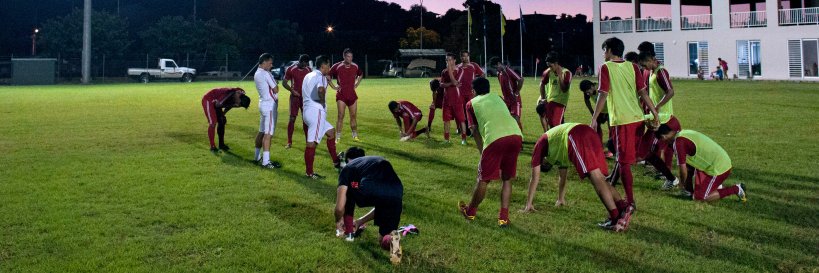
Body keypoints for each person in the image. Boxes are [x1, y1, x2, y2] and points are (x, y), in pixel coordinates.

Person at [591, 37, 660, 229]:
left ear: (610, 50)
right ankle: (617, 201)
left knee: (623, 163)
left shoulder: (606, 67)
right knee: (623, 163)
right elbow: (643, 93)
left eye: (605, 50)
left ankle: (629, 204)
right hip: (638, 120)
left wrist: (594, 118)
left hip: (623, 121)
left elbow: (603, 94)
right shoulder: (633, 67)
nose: (604, 54)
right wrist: (654, 113)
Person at [522, 123, 633, 231]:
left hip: (576, 135)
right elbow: (563, 176)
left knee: (595, 178)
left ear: (543, 160)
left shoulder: (539, 146)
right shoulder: (557, 147)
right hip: (588, 132)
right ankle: (623, 207)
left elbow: (535, 178)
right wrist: (560, 198)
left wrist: (529, 204)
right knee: (601, 178)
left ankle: (615, 217)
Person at [458, 77, 523, 227]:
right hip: (516, 135)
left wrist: (482, 151)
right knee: (507, 178)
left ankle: (470, 212)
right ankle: (503, 218)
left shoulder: (470, 104)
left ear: (473, 91)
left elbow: (474, 130)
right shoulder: (498, 97)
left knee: (483, 179)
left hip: (495, 139)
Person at [334, 147, 404, 264]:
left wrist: (338, 221)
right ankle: (394, 248)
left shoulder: (347, 169)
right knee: (383, 239)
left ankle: (348, 231)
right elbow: (382, 204)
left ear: (347, 161)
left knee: (348, 191)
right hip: (397, 191)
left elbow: (340, 207)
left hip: (373, 188)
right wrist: (360, 221)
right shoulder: (374, 160)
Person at [655, 126, 747, 203]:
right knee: (689, 169)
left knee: (700, 198)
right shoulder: (683, 133)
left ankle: (736, 189)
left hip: (718, 168)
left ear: (663, 137)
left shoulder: (678, 143)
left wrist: (681, 184)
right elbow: (688, 167)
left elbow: (682, 170)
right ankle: (691, 191)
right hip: (713, 163)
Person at [302, 55, 342, 179]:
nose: (329, 67)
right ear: (323, 65)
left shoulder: (308, 75)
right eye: (328, 65)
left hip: (307, 111)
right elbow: (320, 90)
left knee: (330, 132)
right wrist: (322, 103)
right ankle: (309, 173)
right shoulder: (319, 76)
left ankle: (336, 162)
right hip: (316, 112)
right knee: (312, 143)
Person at [329, 48, 364, 143]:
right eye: (348, 56)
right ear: (344, 56)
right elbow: (328, 76)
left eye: (351, 57)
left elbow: (361, 74)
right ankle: (338, 137)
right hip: (341, 96)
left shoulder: (355, 66)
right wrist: (333, 87)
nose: (350, 58)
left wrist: (356, 84)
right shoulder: (337, 66)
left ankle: (355, 136)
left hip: (352, 95)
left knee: (353, 116)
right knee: (340, 116)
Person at [253, 53, 282, 169]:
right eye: (270, 63)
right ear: (264, 62)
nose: (271, 65)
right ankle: (266, 162)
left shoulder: (257, 72)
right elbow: (276, 89)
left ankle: (256, 157)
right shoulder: (266, 73)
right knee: (268, 134)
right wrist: (274, 81)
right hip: (269, 106)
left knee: (261, 131)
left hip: (262, 104)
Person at [201, 87, 250, 152]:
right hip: (209, 100)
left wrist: (223, 114)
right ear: (239, 97)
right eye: (239, 103)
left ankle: (221, 145)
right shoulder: (229, 95)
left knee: (222, 121)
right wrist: (222, 112)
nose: (238, 105)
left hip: (217, 103)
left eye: (240, 105)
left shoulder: (237, 96)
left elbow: (230, 105)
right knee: (213, 122)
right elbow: (218, 104)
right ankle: (212, 147)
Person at [282, 54, 312, 149]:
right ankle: (289, 142)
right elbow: (284, 82)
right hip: (295, 97)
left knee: (306, 119)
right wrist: (292, 91)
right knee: (292, 119)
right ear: (302, 61)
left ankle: (308, 142)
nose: (306, 65)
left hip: (305, 98)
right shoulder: (291, 69)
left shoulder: (309, 70)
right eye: (305, 63)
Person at [578, 80, 613, 158]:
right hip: (600, 110)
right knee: (596, 126)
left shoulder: (601, 88)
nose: (587, 94)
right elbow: (587, 101)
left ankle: (612, 149)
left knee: (611, 128)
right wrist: (592, 112)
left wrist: (607, 114)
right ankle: (599, 145)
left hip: (611, 110)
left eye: (588, 91)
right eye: (585, 92)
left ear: (592, 86)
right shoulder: (587, 92)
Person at [538, 51, 572, 131]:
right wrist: (543, 98)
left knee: (555, 125)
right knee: (554, 125)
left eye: (551, 65)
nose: (549, 68)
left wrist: (560, 76)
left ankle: (556, 139)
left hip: (560, 103)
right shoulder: (548, 72)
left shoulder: (567, 73)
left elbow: (564, 89)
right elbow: (542, 84)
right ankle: (551, 138)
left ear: (556, 63)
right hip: (550, 101)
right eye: (548, 66)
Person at [440, 52, 468, 145]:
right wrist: (450, 84)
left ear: (455, 60)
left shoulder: (460, 71)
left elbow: (456, 82)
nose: (448, 61)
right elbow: (441, 84)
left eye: (450, 59)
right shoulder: (444, 71)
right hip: (446, 100)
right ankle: (446, 139)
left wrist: (449, 83)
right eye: (446, 60)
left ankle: (464, 139)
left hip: (457, 99)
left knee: (461, 120)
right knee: (446, 120)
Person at [490, 57, 524, 130]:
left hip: (514, 100)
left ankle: (519, 136)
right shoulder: (499, 73)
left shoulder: (508, 71)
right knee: (507, 119)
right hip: (506, 100)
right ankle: (516, 134)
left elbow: (521, 79)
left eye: (496, 67)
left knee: (515, 118)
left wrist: (517, 92)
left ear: (499, 63)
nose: (496, 69)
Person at [457, 50, 485, 116]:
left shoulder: (474, 65)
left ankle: (473, 125)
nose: (466, 58)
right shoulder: (457, 67)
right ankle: (462, 126)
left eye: (467, 56)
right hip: (460, 93)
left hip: (471, 93)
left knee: (472, 110)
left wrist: (478, 85)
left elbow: (483, 75)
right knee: (462, 111)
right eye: (464, 56)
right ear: (461, 57)